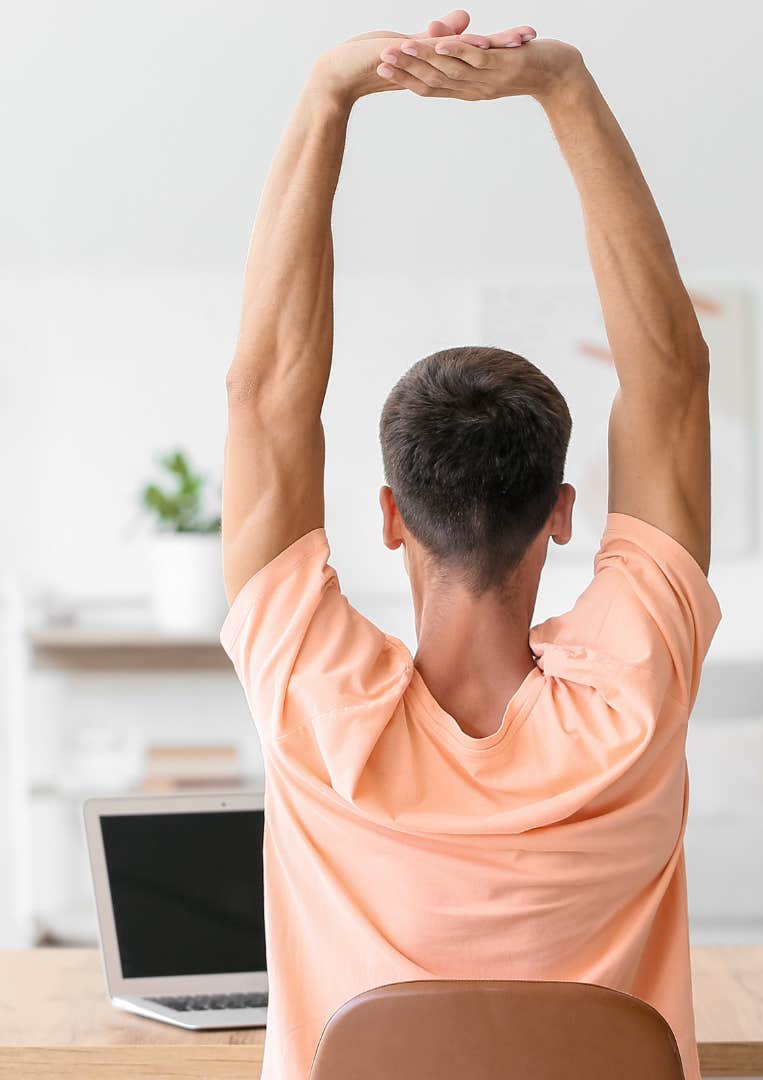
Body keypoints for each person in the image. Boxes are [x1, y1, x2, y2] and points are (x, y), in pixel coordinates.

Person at [221, 10, 716, 1078]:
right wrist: (564, 88)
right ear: (564, 514)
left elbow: (265, 401)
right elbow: (671, 386)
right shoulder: (634, 702)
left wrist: (328, 96)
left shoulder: (315, 705)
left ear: (391, 515)